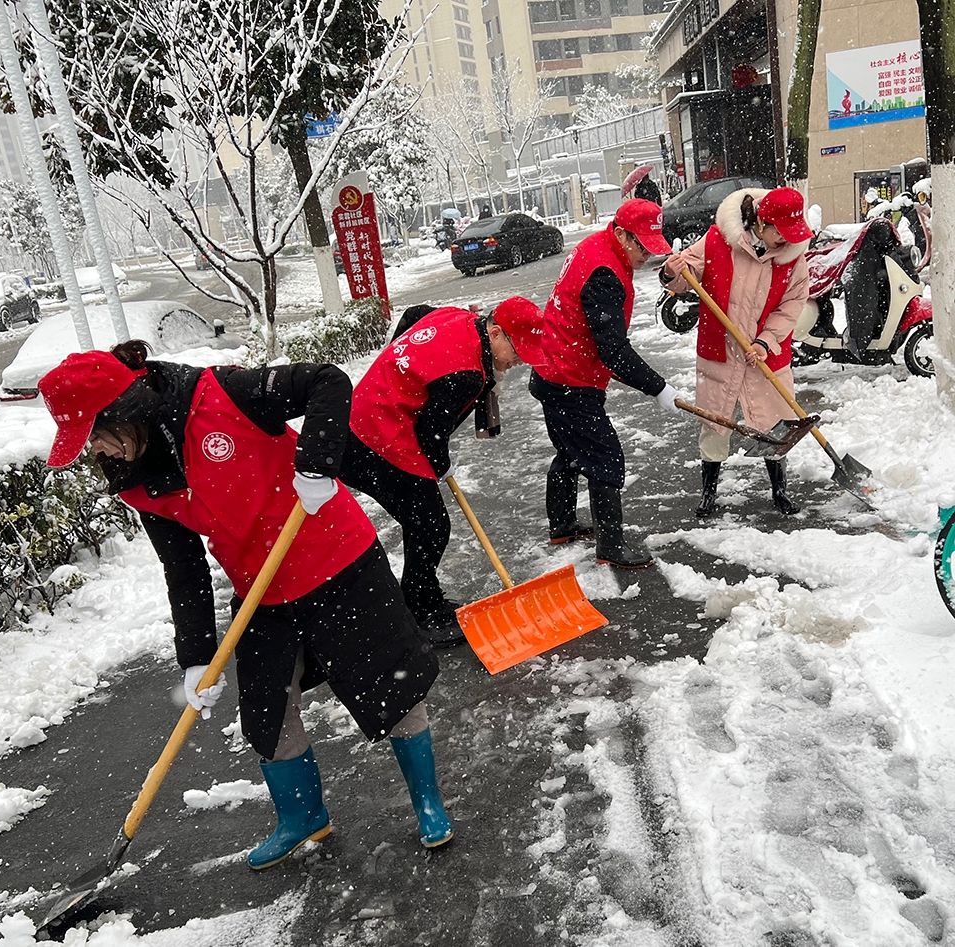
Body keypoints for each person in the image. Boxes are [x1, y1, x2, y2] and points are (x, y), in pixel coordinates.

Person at [37, 346, 454, 868]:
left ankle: (427, 800)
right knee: (268, 711)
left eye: (95, 434)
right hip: (263, 589)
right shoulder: (138, 479)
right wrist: (195, 657)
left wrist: (317, 463)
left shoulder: (221, 395)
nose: (94, 450)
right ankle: (302, 817)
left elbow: (326, 380)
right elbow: (183, 569)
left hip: (339, 560)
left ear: (124, 412)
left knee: (392, 684)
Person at [340, 297, 547, 646]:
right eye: (518, 351)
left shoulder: (457, 317)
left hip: (363, 418)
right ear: (496, 332)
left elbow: (415, 313)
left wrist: (399, 364)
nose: (519, 360)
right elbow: (430, 433)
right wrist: (439, 463)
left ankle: (422, 598)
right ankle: (419, 613)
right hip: (374, 441)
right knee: (430, 525)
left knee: (425, 520)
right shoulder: (465, 374)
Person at [530, 198, 684, 570]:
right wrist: (658, 388)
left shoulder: (597, 247)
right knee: (605, 457)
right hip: (570, 379)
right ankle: (610, 546)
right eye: (642, 246)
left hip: (552, 369)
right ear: (622, 234)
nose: (647, 255)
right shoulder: (605, 273)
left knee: (570, 450)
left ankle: (562, 525)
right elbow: (613, 350)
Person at [660, 186, 812, 517]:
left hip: (766, 353)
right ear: (761, 222)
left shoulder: (793, 259)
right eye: (780, 233)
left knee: (774, 421)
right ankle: (708, 492)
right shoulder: (718, 240)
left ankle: (779, 490)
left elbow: (791, 306)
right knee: (714, 423)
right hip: (721, 348)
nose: (786, 241)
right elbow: (687, 273)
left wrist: (765, 341)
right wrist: (673, 272)